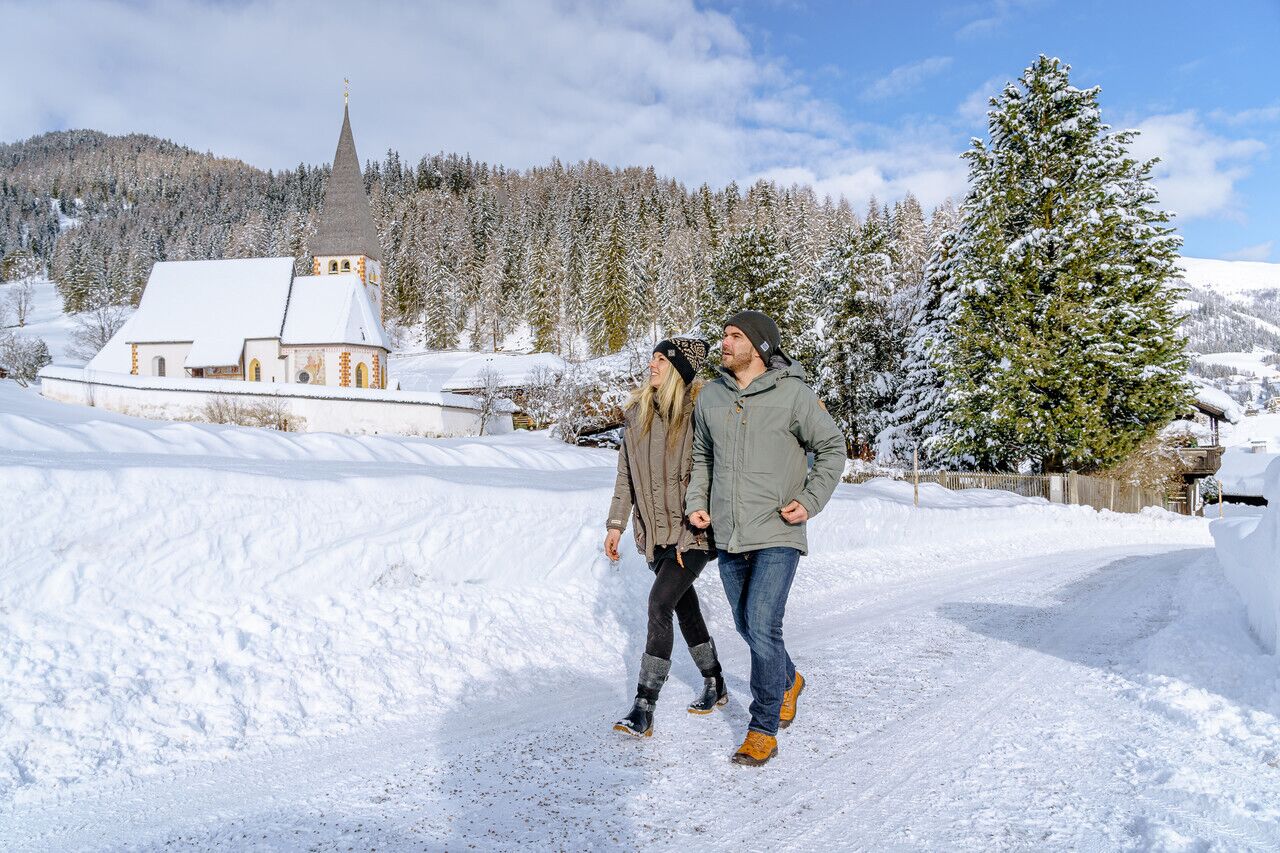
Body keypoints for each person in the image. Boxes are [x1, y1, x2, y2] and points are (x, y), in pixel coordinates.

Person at [686, 310, 845, 766]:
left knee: (761, 624)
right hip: (729, 531)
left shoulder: (792, 393)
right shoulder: (712, 396)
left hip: (778, 528)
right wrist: (699, 500)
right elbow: (702, 456)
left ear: (759, 345)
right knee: (746, 625)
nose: (725, 343)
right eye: (724, 335)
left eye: (735, 336)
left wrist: (810, 501)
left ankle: (762, 728)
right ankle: (789, 679)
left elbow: (832, 449)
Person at [606, 337, 728, 738]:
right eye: (652, 358)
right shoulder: (637, 416)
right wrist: (616, 525)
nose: (652, 365)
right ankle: (715, 681)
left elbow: (711, 472)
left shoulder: (696, 415)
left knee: (660, 602)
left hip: (692, 533)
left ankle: (644, 704)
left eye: (661, 360)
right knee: (684, 606)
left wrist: (699, 519)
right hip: (655, 535)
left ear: (678, 371)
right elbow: (626, 477)